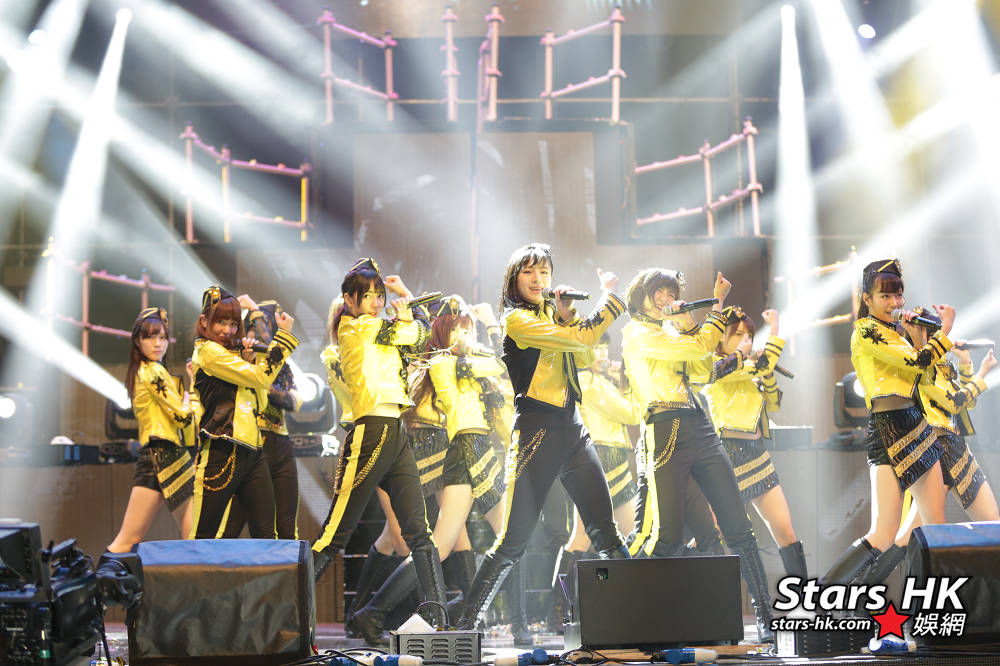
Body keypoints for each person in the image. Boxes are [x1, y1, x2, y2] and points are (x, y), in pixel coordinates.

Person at [455, 243, 630, 632]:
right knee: (513, 541)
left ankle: (645, 619)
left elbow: (584, 356)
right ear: (514, 279)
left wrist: (567, 316)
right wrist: (610, 300)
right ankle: (466, 625)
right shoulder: (516, 320)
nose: (538, 280)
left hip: (573, 430)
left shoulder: (551, 315)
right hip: (536, 432)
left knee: (606, 532)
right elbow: (581, 340)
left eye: (544, 272)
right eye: (529, 272)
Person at [621, 267, 774, 642]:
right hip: (664, 427)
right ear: (642, 296)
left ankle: (765, 618)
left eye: (671, 293)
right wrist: (718, 306)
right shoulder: (636, 333)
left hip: (699, 424)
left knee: (738, 526)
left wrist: (689, 321)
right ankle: (633, 614)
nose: (665, 299)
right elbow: (699, 348)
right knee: (666, 536)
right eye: (658, 292)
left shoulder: (673, 331)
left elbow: (704, 371)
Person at [311, 258, 447, 644]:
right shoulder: (355, 328)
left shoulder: (381, 329)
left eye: (378, 295)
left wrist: (405, 298)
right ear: (348, 300)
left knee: (419, 532)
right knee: (334, 535)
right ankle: (282, 614)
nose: (375, 302)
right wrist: (407, 309)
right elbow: (411, 333)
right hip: (370, 430)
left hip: (395, 429)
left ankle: (439, 621)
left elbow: (422, 338)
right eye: (367, 296)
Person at [819, 259, 954, 585]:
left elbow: (923, 376)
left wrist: (918, 337)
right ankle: (823, 596)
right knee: (882, 533)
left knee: (933, 524)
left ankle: (921, 607)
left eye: (898, 295)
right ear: (866, 298)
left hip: (915, 423)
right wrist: (944, 331)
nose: (895, 303)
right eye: (885, 296)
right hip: (887, 426)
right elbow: (917, 362)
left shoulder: (896, 333)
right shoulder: (866, 331)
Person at [859, 306, 997, 583]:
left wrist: (966, 365)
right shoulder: (917, 367)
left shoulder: (940, 366)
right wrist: (983, 373)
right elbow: (954, 402)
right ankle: (866, 591)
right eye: (933, 331)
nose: (939, 338)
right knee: (915, 535)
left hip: (954, 446)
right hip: (935, 448)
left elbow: (965, 403)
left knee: (989, 525)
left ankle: (866, 591)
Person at [701, 308, 807, 578]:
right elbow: (761, 366)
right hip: (727, 455)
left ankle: (802, 597)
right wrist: (774, 330)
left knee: (785, 530)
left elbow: (773, 403)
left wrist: (767, 375)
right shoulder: (716, 366)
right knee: (714, 534)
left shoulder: (750, 369)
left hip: (757, 454)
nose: (746, 340)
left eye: (749, 335)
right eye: (738, 334)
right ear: (721, 337)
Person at [190, 286, 297, 539]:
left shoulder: (231, 355)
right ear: (204, 321)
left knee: (267, 535)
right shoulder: (207, 351)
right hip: (222, 449)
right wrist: (283, 338)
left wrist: (250, 360)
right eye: (221, 322)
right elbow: (261, 378)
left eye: (232, 324)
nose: (228, 330)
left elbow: (261, 399)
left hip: (253, 450)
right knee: (206, 536)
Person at [108, 307, 200, 552]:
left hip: (166, 453)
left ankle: (105, 573)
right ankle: (103, 575)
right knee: (129, 539)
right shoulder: (152, 371)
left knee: (190, 537)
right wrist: (190, 396)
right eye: (150, 337)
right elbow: (183, 418)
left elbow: (185, 421)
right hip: (163, 453)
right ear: (137, 341)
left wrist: (189, 391)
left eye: (162, 337)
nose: (158, 344)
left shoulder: (148, 371)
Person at [220, 298, 303, 539]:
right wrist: (256, 310)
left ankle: (289, 565)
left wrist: (268, 387)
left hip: (281, 442)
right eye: (257, 325)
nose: (263, 332)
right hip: (251, 442)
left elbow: (296, 402)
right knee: (235, 524)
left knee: (286, 526)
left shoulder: (280, 364)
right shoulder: (239, 360)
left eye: (268, 325)